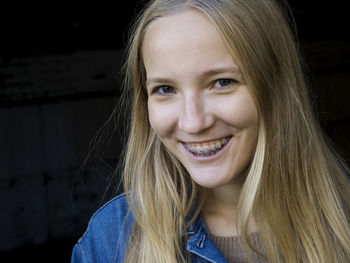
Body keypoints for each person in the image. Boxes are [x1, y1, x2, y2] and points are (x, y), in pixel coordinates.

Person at [71, 0, 350, 262]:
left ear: (277, 88)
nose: (193, 123)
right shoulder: (110, 240)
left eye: (222, 82)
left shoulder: (343, 218)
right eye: (165, 89)